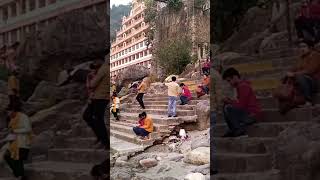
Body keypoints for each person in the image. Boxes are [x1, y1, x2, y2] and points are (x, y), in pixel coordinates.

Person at [274, 41, 320, 113]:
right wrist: (288, 73)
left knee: (300, 77)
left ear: (310, 47)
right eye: (300, 47)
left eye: (304, 46)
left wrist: (295, 74)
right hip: (302, 81)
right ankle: (291, 100)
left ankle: (308, 100)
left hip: (314, 81)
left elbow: (311, 70)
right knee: (286, 78)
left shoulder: (316, 55)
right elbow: (294, 68)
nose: (301, 49)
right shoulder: (300, 58)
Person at [222, 68, 262, 137]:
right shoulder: (238, 87)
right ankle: (233, 129)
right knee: (226, 106)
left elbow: (241, 105)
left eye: (229, 81)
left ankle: (238, 129)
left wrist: (229, 101)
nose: (229, 83)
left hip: (252, 115)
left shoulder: (243, 86)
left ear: (235, 77)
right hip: (246, 113)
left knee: (228, 108)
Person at [4, 100, 32, 180]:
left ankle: (20, 176)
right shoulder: (12, 119)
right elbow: (11, 131)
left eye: (8, 112)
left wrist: (15, 131)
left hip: (22, 142)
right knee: (7, 157)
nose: (7, 114)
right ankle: (20, 175)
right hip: (13, 143)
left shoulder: (23, 117)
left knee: (18, 160)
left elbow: (28, 129)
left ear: (12, 110)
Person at [89, 61, 108, 149]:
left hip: (100, 98)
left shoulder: (103, 69)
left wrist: (90, 78)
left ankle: (103, 140)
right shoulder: (105, 69)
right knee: (93, 117)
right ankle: (101, 138)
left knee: (97, 119)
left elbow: (92, 84)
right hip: (101, 97)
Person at [82, 63, 100, 145]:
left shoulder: (99, 76)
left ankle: (100, 137)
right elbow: (89, 87)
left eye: (95, 68)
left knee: (93, 118)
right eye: (92, 69)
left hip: (99, 99)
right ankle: (99, 135)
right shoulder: (90, 76)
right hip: (92, 99)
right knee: (86, 116)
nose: (93, 70)